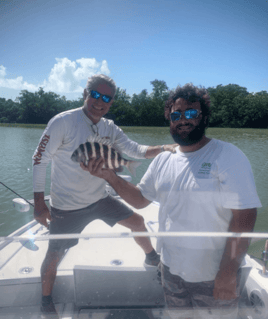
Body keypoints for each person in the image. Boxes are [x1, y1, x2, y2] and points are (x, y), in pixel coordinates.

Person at [82, 83, 262, 319]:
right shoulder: (163, 159)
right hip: (170, 271)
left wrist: (228, 273)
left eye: (190, 113)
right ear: (169, 119)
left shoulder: (228, 156)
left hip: (213, 274)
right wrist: (109, 175)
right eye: (176, 115)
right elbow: (140, 200)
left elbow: (244, 217)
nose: (182, 120)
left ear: (204, 116)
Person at [32, 74, 177, 318]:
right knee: (54, 254)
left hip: (100, 199)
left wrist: (164, 148)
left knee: (138, 222)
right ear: (85, 94)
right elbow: (39, 159)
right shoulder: (63, 122)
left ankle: (152, 257)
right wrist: (39, 204)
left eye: (106, 98)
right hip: (66, 207)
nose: (100, 102)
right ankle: (46, 300)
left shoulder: (110, 128)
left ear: (111, 103)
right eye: (96, 95)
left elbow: (136, 150)